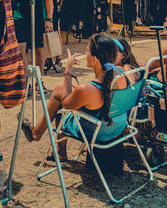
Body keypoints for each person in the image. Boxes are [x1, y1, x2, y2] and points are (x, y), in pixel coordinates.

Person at [21, 33, 118, 161]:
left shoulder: (86, 89)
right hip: (111, 127)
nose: (85, 53)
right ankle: (45, 139)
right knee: (60, 88)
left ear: (95, 59)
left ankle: (40, 135)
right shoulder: (118, 78)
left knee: (59, 98)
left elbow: (66, 103)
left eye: (87, 51)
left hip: (90, 130)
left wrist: (68, 71)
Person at [5, 0, 53, 91]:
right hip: (20, 17)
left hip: (37, 16)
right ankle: (27, 79)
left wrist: (49, 19)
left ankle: (39, 80)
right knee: (20, 49)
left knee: (38, 50)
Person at [42, 0, 64, 68]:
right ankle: (49, 57)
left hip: (54, 10)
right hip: (45, 10)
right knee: (47, 34)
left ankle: (58, 58)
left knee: (55, 33)